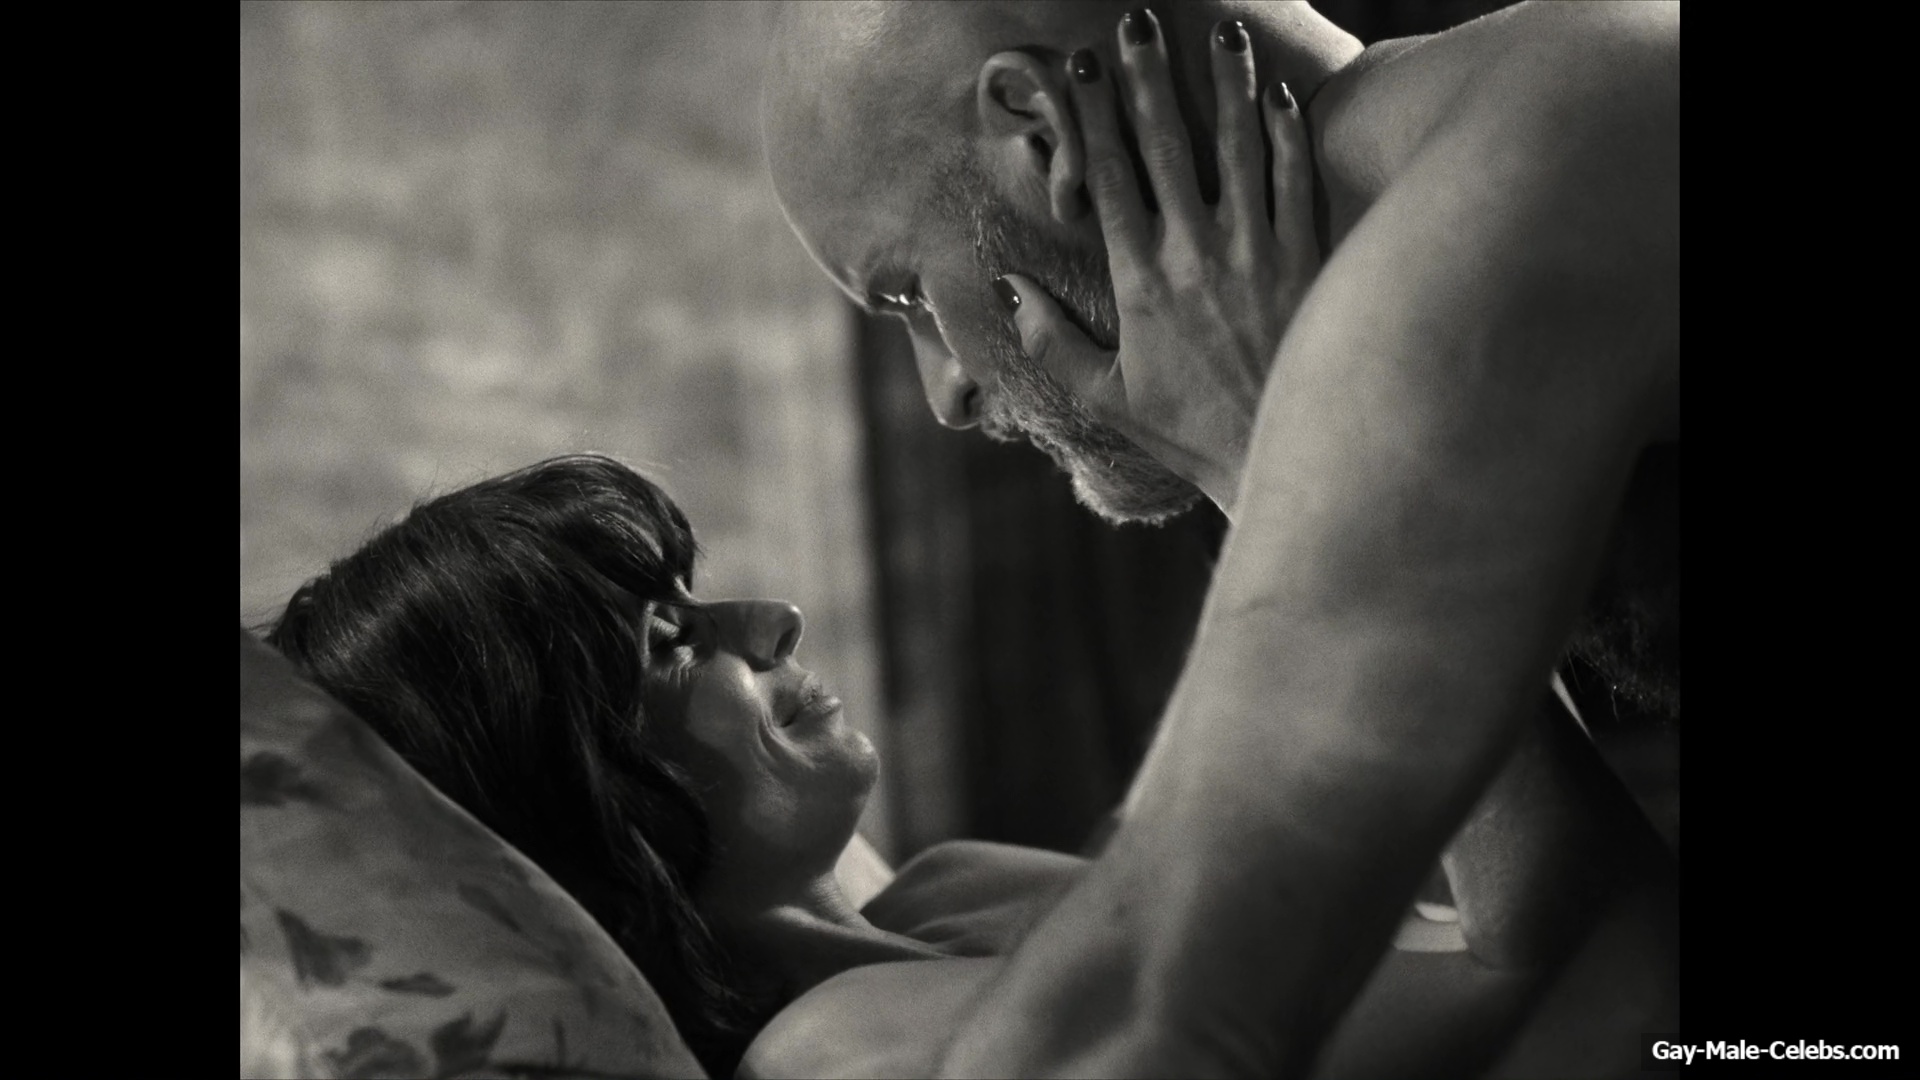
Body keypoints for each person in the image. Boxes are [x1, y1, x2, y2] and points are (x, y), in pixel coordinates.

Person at [764, 2, 1677, 1072]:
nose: (947, 393)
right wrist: (1273, 455)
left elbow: (1158, 1023)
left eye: (910, 294)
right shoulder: (1493, 137)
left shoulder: (1492, 212)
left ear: (1042, 134)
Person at [267, 454, 1672, 1080]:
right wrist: (1290, 450)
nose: (774, 621)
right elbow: (1578, 993)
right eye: (671, 646)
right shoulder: (839, 1057)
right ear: (584, 790)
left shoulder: (949, 891)